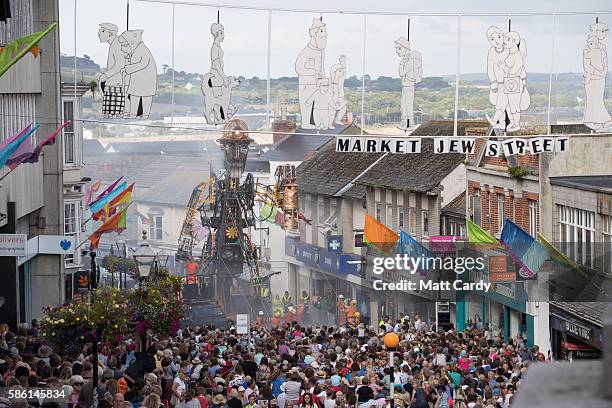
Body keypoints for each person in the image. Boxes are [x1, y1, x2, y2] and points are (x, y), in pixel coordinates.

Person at [295, 18, 328, 129]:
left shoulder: (321, 52)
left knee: (319, 104)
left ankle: (320, 123)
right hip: (306, 84)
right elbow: (299, 68)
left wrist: (323, 78)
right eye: (322, 36)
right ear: (314, 34)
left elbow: (321, 67)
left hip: (318, 85)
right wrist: (313, 72)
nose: (324, 39)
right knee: (307, 104)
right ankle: (306, 123)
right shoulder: (306, 52)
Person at [118, 29, 157, 118]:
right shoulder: (136, 51)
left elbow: (142, 63)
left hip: (146, 81)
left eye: (124, 45)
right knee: (134, 96)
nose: (122, 48)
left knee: (145, 97)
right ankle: (133, 114)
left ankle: (145, 115)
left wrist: (127, 69)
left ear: (132, 43)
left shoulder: (143, 50)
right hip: (137, 80)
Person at [583, 26, 612, 130]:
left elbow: (605, 61)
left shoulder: (603, 47)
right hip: (591, 79)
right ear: (597, 32)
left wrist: (604, 71)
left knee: (598, 98)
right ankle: (594, 120)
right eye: (602, 31)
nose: (604, 34)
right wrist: (598, 73)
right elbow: (587, 66)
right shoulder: (588, 48)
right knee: (592, 99)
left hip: (601, 78)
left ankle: (600, 121)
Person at [98, 22, 127, 118]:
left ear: (110, 33)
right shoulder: (115, 43)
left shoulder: (117, 43)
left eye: (102, 31)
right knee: (111, 114)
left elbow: (120, 64)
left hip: (117, 84)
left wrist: (105, 75)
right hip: (114, 84)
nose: (99, 34)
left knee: (113, 114)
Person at [395, 36, 422, 131]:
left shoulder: (411, 61)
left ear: (405, 48)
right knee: (404, 105)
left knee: (408, 105)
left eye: (399, 48)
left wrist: (402, 63)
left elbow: (401, 73)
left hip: (409, 85)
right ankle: (404, 122)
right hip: (405, 85)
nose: (397, 51)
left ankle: (409, 124)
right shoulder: (406, 60)